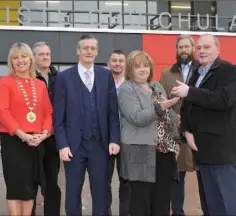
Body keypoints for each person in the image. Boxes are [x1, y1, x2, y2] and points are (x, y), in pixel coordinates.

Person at [172, 33, 236, 216]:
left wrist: (190, 91)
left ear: (217, 49)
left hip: (221, 151)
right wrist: (186, 131)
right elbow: (186, 107)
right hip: (201, 150)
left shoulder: (227, 71)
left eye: (207, 47)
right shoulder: (197, 73)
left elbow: (223, 99)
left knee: (229, 204)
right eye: (199, 48)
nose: (201, 51)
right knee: (210, 205)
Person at [53, 34, 121, 216]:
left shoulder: (106, 76)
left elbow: (113, 113)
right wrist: (62, 144)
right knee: (73, 192)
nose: (89, 51)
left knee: (101, 192)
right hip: (74, 146)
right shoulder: (64, 77)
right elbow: (58, 115)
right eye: (85, 48)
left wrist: (115, 139)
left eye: (92, 48)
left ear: (97, 52)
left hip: (100, 145)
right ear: (78, 51)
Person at [117, 50, 181, 216]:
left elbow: (168, 117)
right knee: (140, 203)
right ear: (130, 69)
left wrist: (176, 141)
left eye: (145, 65)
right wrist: (161, 107)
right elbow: (137, 117)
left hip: (164, 152)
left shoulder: (157, 86)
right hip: (140, 152)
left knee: (162, 202)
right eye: (137, 66)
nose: (142, 69)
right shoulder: (126, 89)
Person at [0, 42, 53, 216]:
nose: (20, 60)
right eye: (15, 57)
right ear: (11, 62)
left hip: (36, 141)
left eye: (24, 56)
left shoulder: (40, 84)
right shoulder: (5, 82)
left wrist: (43, 134)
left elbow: (48, 112)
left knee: (30, 186)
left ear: (31, 59)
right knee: (15, 186)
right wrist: (22, 134)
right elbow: (2, 111)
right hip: (14, 141)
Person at [159, 34, 208, 216]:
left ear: (193, 48)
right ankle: (177, 213)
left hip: (200, 133)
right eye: (180, 47)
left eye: (187, 47)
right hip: (176, 133)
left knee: (205, 177)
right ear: (176, 50)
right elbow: (161, 101)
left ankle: (208, 211)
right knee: (176, 178)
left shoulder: (204, 71)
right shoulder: (166, 74)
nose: (183, 50)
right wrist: (177, 119)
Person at [31, 41, 62, 216]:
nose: (45, 57)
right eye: (41, 54)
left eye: (47, 54)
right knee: (31, 182)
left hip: (52, 138)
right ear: (33, 58)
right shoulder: (28, 78)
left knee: (51, 181)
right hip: (32, 138)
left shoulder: (59, 79)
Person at [106, 49, 130, 216]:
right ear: (109, 63)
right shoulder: (100, 82)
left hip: (127, 139)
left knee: (126, 181)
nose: (118, 64)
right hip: (105, 139)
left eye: (121, 60)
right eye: (114, 60)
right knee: (103, 180)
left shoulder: (131, 85)